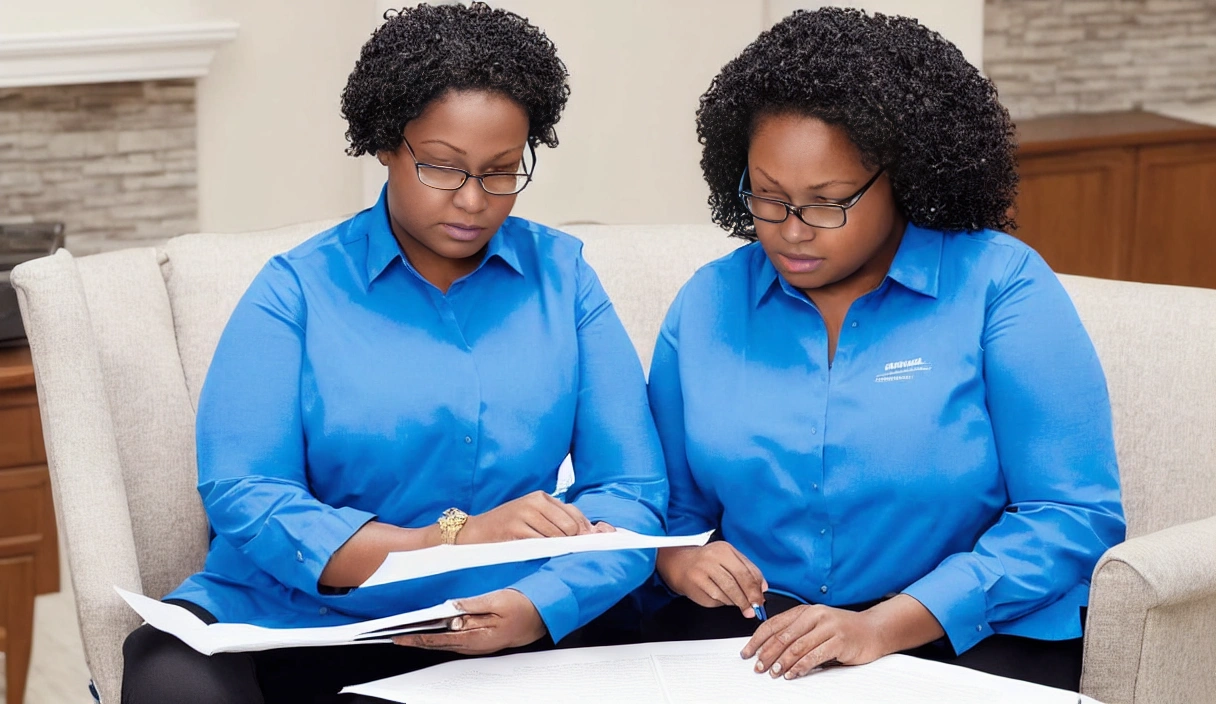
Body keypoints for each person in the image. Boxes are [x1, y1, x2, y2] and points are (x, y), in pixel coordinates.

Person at [121, 4, 666, 702]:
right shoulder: (295, 291)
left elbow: (633, 492)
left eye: (501, 171)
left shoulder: (565, 281)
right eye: (442, 167)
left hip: (499, 619)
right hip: (294, 616)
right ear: (386, 143)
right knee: (169, 678)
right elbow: (247, 495)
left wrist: (540, 606)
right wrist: (455, 539)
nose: (474, 199)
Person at [644, 7, 1124, 692]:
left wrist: (882, 626)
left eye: (827, 202)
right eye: (768, 199)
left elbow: (1073, 515)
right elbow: (668, 507)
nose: (791, 232)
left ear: (902, 176)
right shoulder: (708, 302)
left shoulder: (1000, 285)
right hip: (757, 631)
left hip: (967, 632)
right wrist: (681, 562)